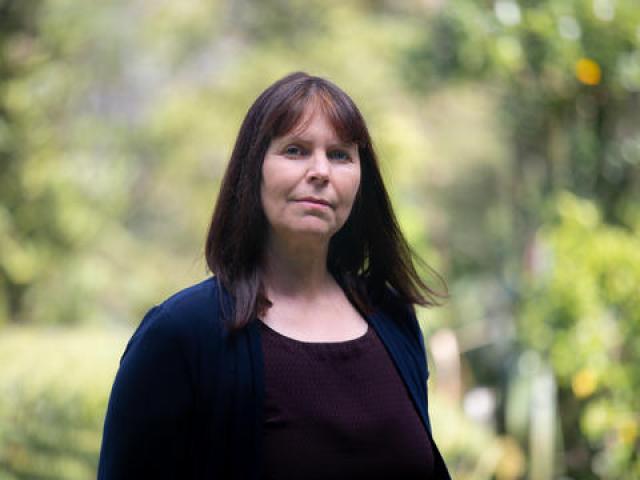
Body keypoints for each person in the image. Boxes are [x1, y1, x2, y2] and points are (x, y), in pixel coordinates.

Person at [97, 72, 451, 479]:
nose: (321, 171)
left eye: (340, 155)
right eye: (296, 150)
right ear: (254, 170)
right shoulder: (181, 334)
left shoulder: (391, 316)